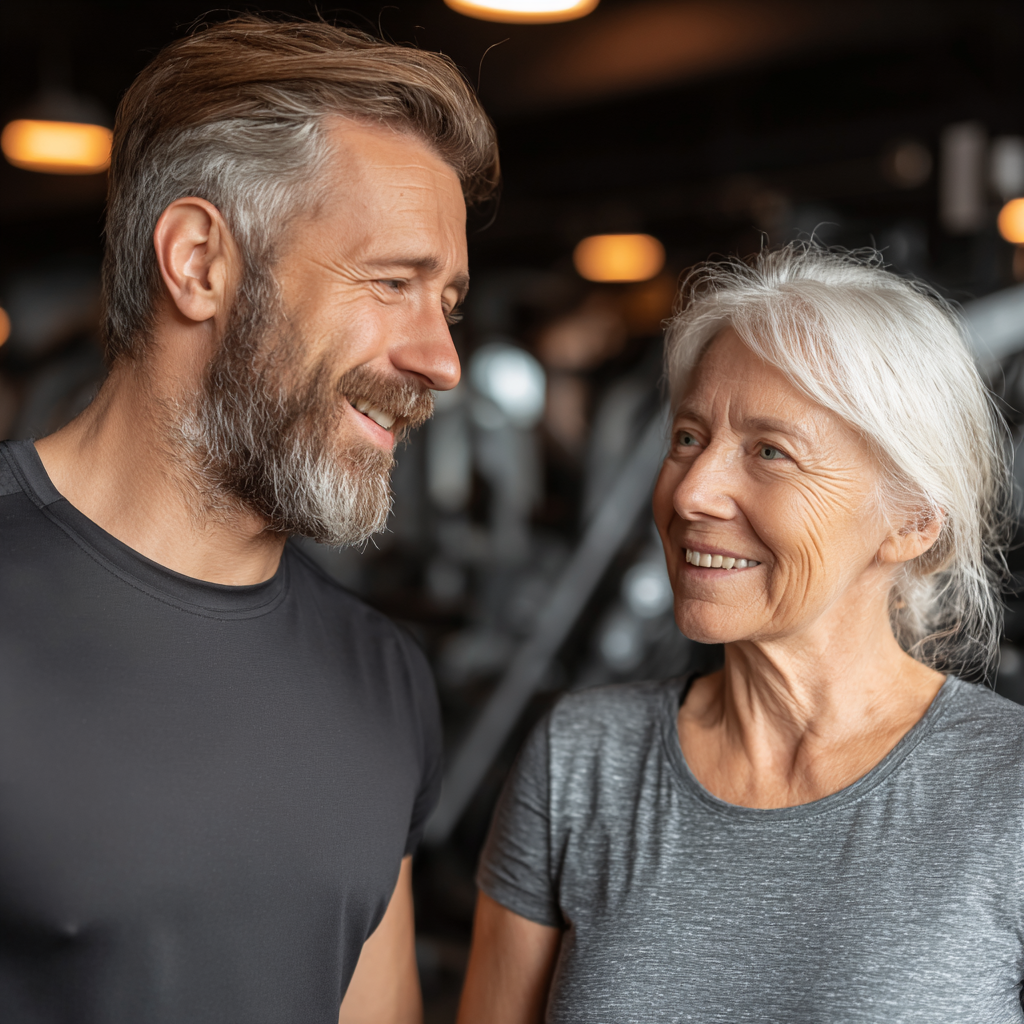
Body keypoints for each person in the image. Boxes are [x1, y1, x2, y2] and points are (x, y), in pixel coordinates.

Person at [0, 15, 498, 1024]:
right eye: (393, 283)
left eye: (445, 299)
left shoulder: (382, 676)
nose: (441, 359)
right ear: (197, 262)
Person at [458, 243, 1024, 1023]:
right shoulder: (584, 760)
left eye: (769, 452)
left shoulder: (1008, 790)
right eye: (688, 438)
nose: (692, 491)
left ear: (911, 524)